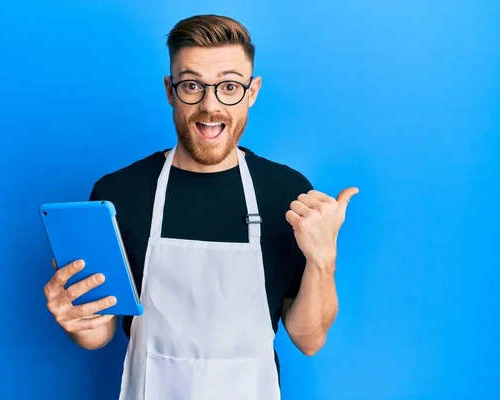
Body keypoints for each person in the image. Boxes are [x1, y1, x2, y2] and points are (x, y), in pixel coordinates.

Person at [43, 14, 358, 400]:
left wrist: (323, 258)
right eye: (192, 85)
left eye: (229, 86)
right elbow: (98, 333)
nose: (210, 106)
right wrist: (73, 318)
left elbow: (309, 339)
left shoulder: (287, 193)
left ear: (252, 92)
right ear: (170, 90)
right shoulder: (119, 192)